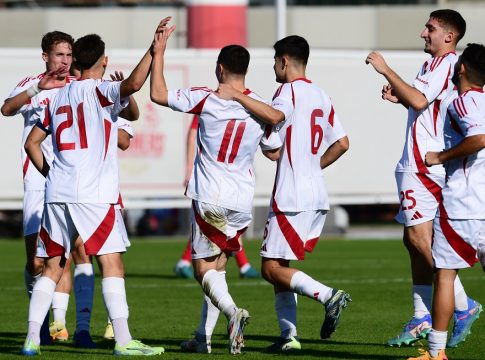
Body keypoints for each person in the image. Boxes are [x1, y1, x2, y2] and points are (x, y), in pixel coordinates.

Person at [20, 18, 172, 356]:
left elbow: (33, 143)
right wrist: (153, 49)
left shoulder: (56, 97)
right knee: (111, 264)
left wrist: (52, 174)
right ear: (103, 61)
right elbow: (132, 84)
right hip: (94, 194)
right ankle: (123, 340)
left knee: (53, 265)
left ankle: (31, 338)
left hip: (57, 192)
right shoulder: (99, 89)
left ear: (74, 61)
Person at [215, 35, 351, 352]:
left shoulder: (287, 91)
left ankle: (327, 295)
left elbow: (274, 117)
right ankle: (289, 335)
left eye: (275, 60)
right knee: (281, 264)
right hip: (316, 193)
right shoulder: (320, 94)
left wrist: (236, 95)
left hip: (291, 195)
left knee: (269, 268)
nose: (274, 66)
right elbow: (342, 143)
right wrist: (313, 166)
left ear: (285, 61)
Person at [150, 28, 281, 353]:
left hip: (210, 196)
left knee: (202, 270)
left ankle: (232, 312)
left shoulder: (206, 97)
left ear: (221, 69)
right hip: (241, 200)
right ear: (246, 70)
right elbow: (275, 141)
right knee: (218, 268)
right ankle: (202, 338)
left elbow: (158, 93)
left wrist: (159, 53)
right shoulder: (260, 105)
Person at [366, 9, 481, 348]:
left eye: (430, 28)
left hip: (424, 165)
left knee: (421, 240)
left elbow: (419, 98)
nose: (422, 33)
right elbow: (423, 106)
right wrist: (399, 98)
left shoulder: (447, 63)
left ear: (449, 36)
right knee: (412, 241)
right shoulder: (432, 66)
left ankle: (463, 306)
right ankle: (421, 316)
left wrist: (385, 69)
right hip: (415, 161)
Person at [1, 30, 83, 346]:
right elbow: (6, 109)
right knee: (35, 262)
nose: (65, 61)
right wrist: (39, 88)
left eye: (69, 55)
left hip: (68, 183)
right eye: (59, 54)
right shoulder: (32, 84)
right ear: (45, 56)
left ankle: (56, 326)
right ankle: (43, 320)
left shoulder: (78, 88)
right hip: (37, 183)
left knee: (64, 255)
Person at [407, 43, 485, 360]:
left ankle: (437, 353)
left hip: (463, 206)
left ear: (462, 68)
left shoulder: (464, 101)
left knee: (444, 276)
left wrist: (440, 156)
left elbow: (479, 138)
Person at [173, 114, 260, 279]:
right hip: (211, 178)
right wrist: (189, 167)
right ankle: (243, 266)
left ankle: (184, 262)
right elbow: (192, 134)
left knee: (217, 224)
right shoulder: (210, 103)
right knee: (218, 225)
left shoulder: (240, 104)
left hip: (227, 179)